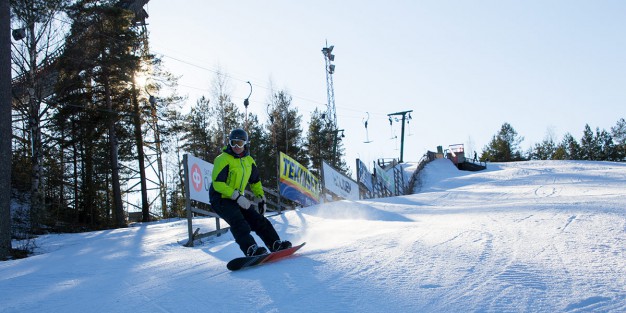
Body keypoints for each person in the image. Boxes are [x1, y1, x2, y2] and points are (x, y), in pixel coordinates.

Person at [209, 128, 292, 256]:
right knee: (238, 221)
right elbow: (218, 183)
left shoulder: (249, 161)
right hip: (220, 198)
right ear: (229, 143)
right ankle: (251, 249)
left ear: (246, 144)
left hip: (236, 197)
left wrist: (260, 198)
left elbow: (255, 181)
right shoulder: (223, 159)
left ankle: (275, 244)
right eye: (233, 143)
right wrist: (237, 197)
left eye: (240, 143)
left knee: (258, 220)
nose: (237, 146)